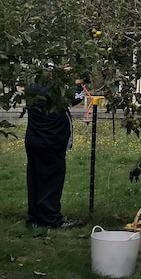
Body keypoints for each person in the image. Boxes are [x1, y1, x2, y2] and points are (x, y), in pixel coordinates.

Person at [24, 71, 86, 229]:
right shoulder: (55, 91)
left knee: (35, 180)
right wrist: (78, 83)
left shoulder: (32, 88)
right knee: (51, 181)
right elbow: (77, 97)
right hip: (51, 143)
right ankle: (51, 218)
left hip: (34, 140)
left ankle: (35, 218)